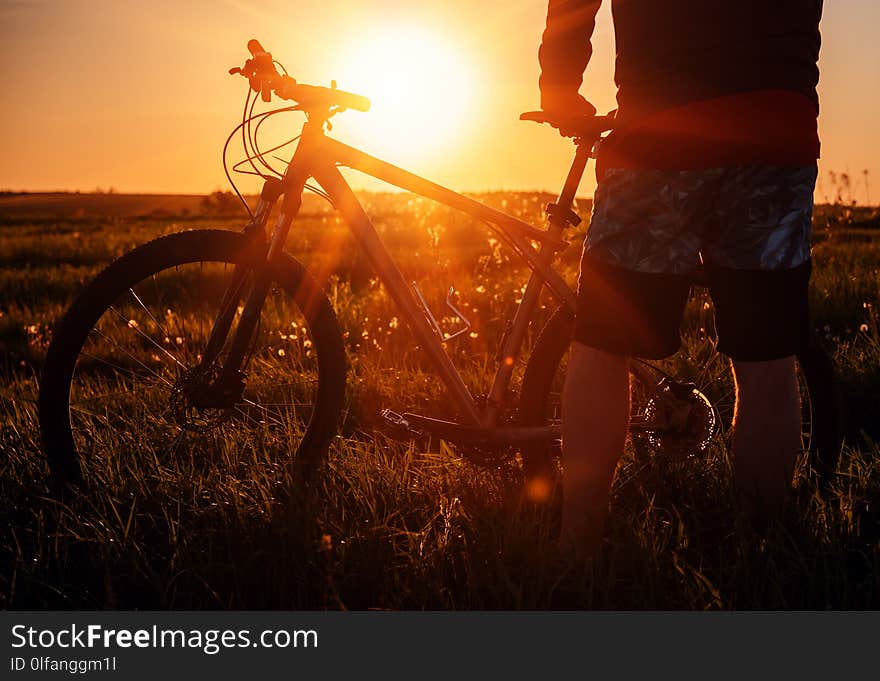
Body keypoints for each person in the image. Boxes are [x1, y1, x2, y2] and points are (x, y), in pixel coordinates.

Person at [537, 0, 824, 558]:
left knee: (602, 343)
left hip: (659, 129)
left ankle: (576, 554)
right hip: (775, 133)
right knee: (768, 362)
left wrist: (560, 87)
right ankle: (757, 559)